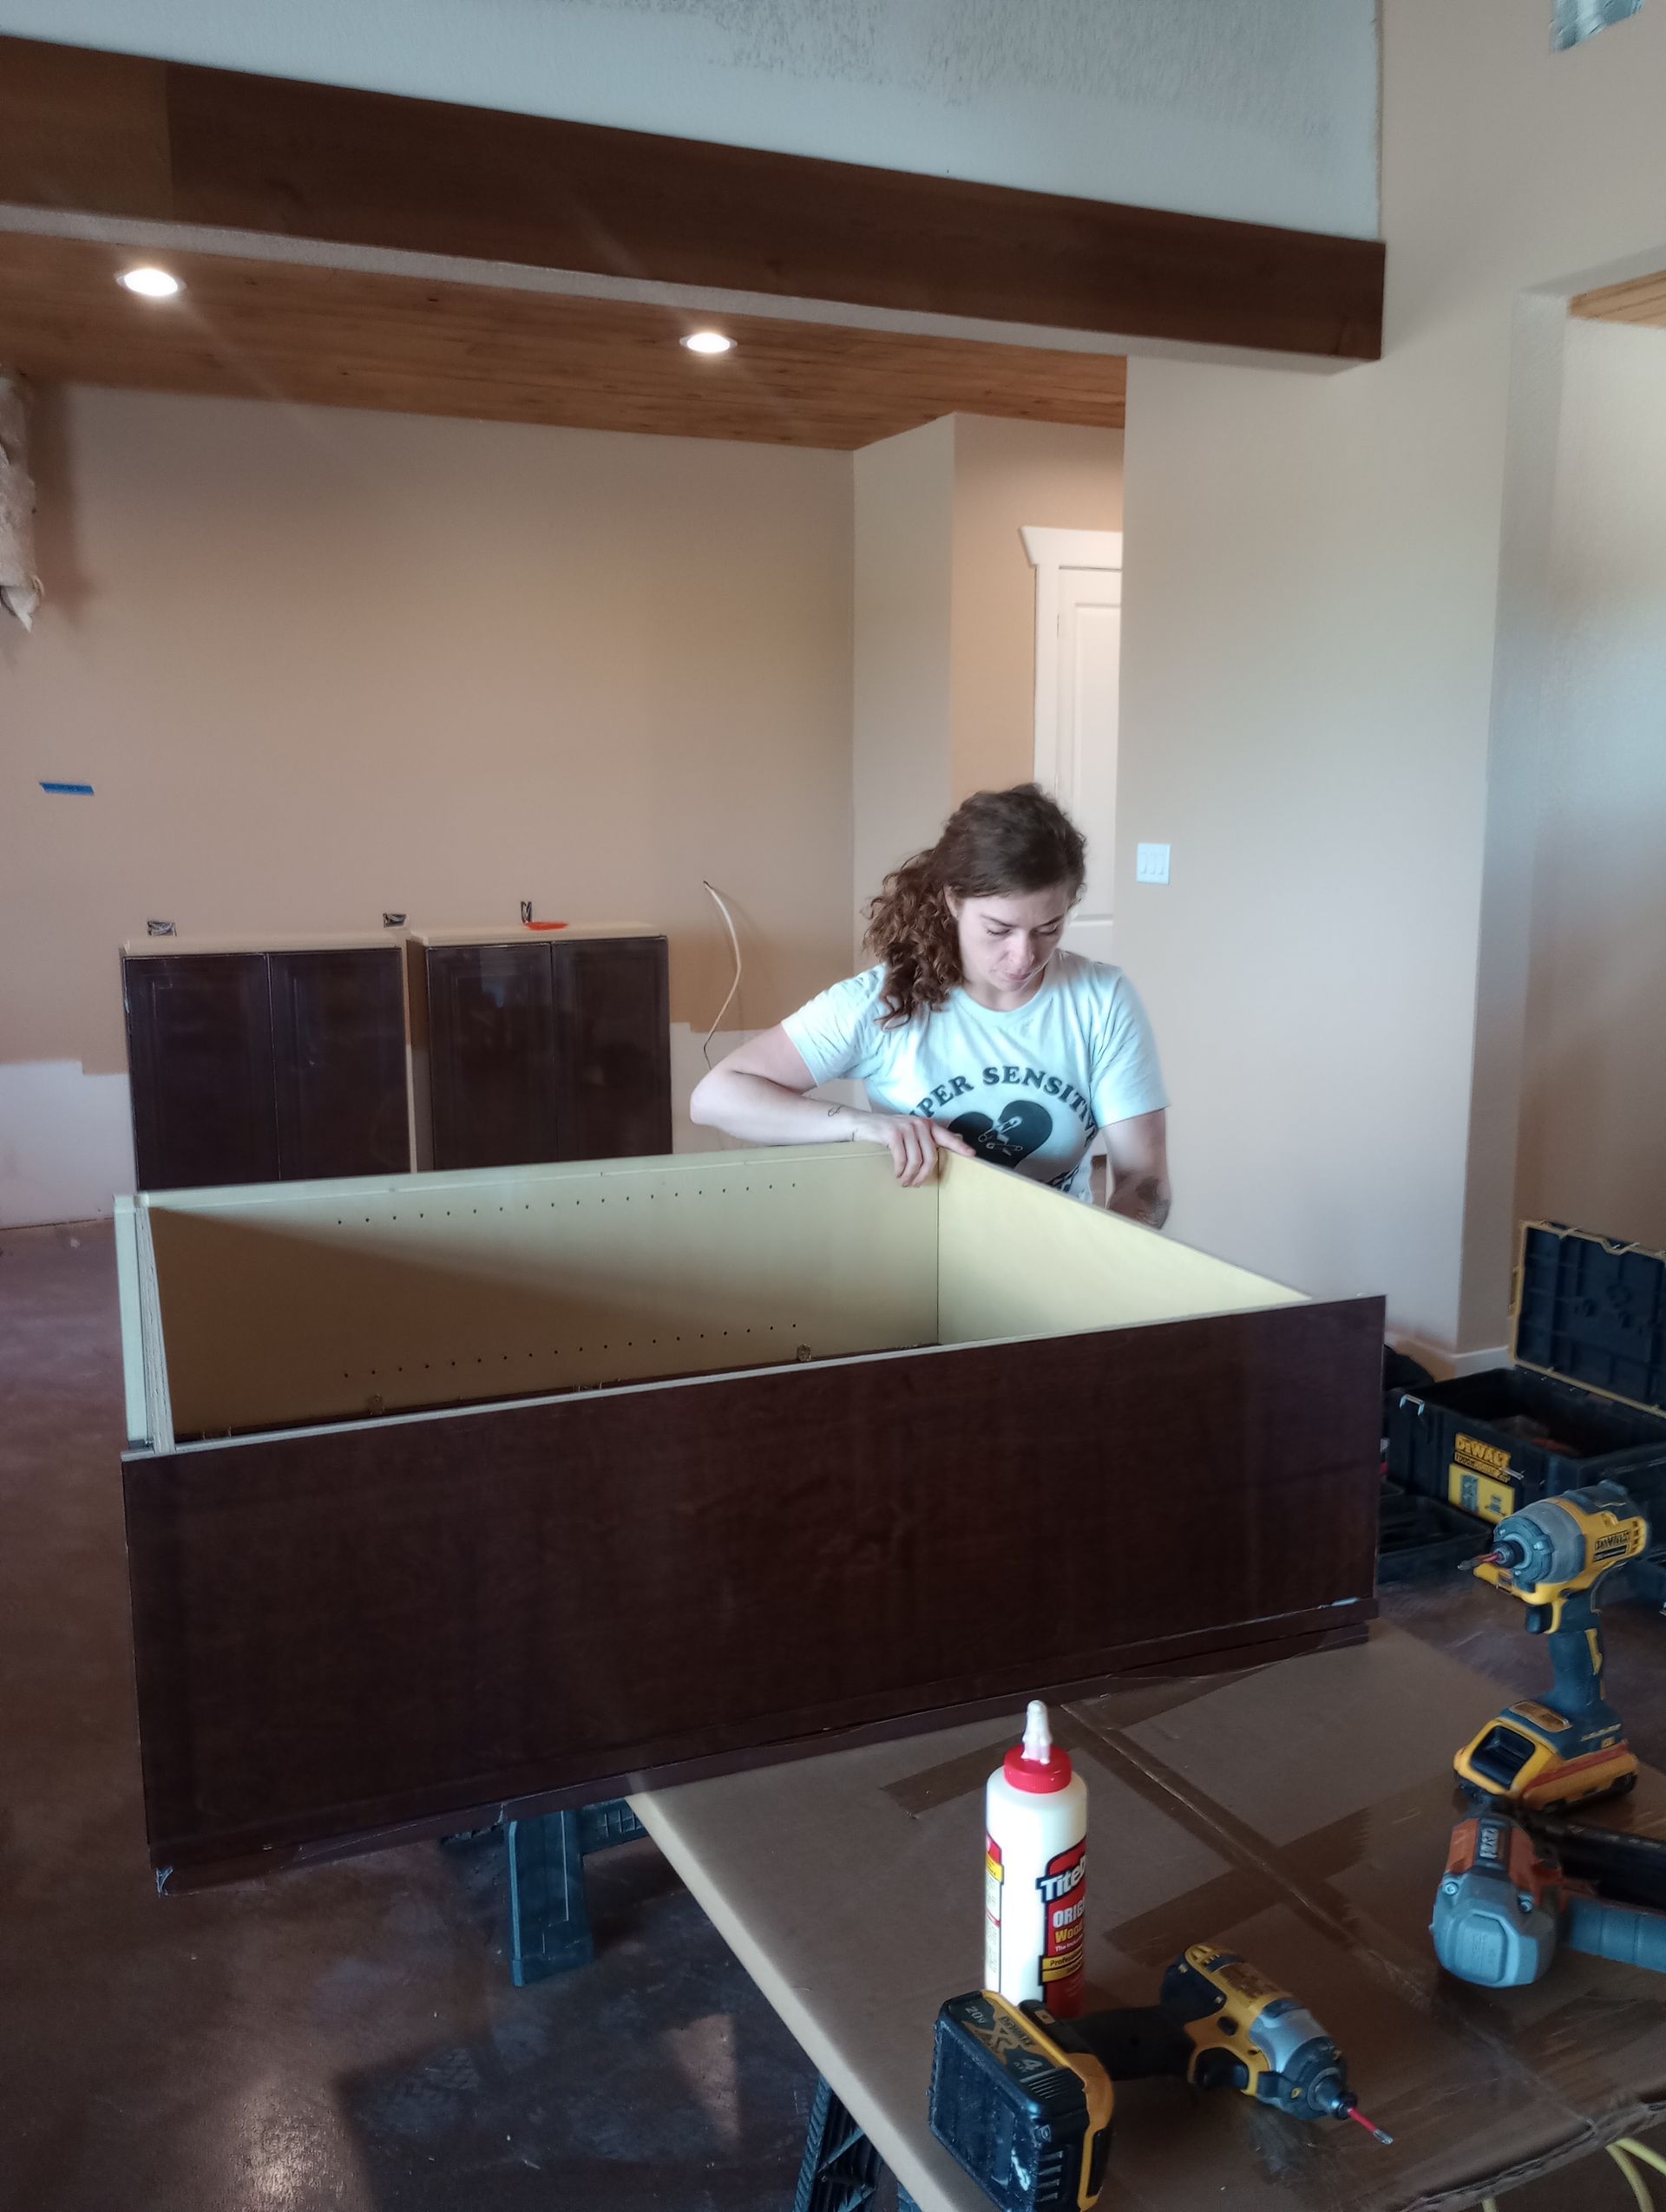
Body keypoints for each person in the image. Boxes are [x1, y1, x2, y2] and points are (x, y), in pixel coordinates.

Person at [690, 784, 1171, 1224]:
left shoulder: (1102, 1001)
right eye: (999, 930)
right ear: (954, 900)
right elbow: (715, 1097)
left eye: (1049, 928)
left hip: (1058, 1257)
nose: (1024, 956)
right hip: (919, 1258)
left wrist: (1116, 1255)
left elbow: (1143, 1180)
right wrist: (865, 1125)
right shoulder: (882, 1001)